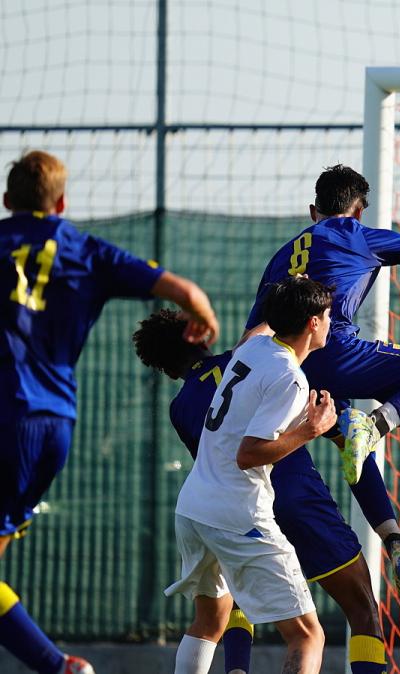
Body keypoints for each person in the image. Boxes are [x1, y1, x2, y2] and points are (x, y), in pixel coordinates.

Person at [1, 150, 220, 674]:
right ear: (61, 202)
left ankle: (59, 667)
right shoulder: (84, 249)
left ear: (7, 202)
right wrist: (203, 320)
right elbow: (185, 292)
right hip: (55, 424)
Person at [242, 164, 400, 594]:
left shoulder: (284, 254)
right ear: (358, 212)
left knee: (349, 444)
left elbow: (253, 335)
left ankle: (393, 540)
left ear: (313, 210)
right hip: (338, 352)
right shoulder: (360, 236)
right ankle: (378, 422)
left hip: (290, 371)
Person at [134, 308, 400, 674]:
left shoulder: (181, 406)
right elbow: (347, 445)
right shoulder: (256, 358)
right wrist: (390, 533)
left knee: (215, 610)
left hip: (208, 508)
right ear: (198, 336)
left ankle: (237, 669)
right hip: (289, 500)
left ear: (164, 367)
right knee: (355, 608)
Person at [165, 276, 337, 674]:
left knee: (210, 621)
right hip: (237, 515)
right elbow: (249, 454)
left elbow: (264, 323)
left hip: (194, 508)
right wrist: (310, 429)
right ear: (313, 322)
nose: (332, 322)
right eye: (327, 315)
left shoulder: (255, 347)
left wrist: (289, 282)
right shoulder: (291, 378)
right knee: (308, 635)